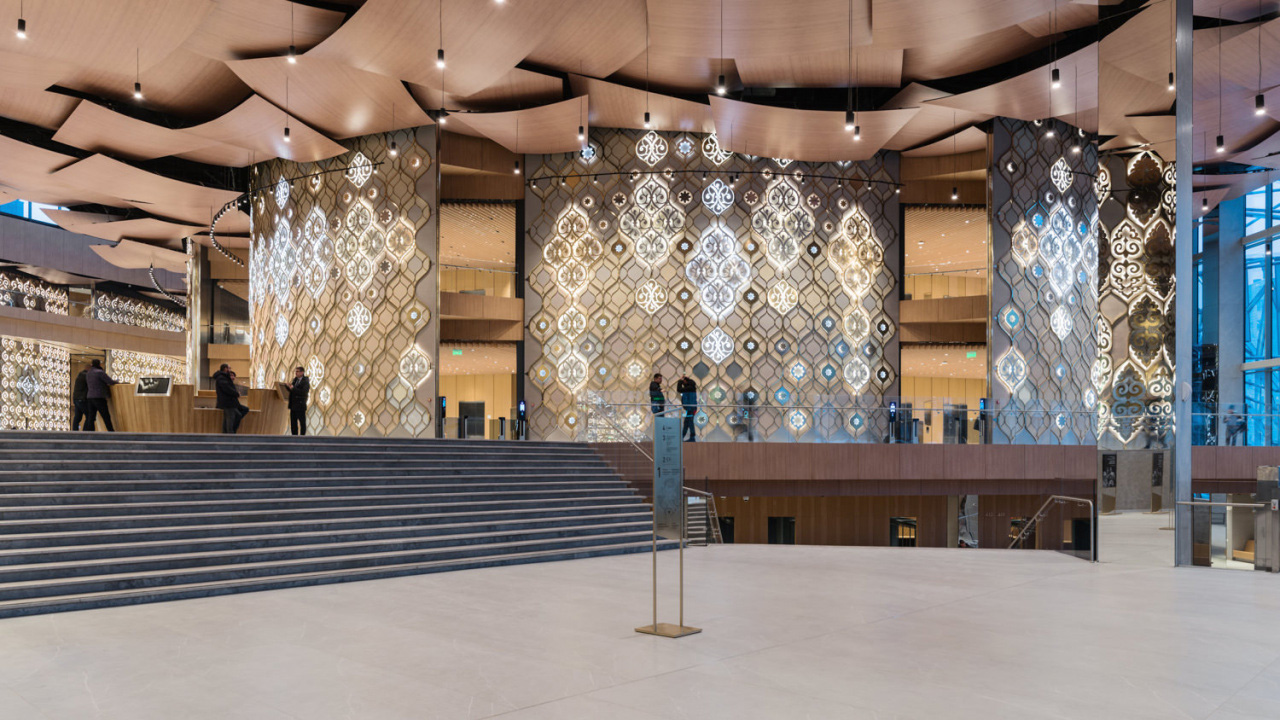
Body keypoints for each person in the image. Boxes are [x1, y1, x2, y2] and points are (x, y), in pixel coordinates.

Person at [84, 359, 118, 431]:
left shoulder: (88, 373)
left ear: (92, 364)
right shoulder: (100, 372)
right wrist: (117, 381)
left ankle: (90, 432)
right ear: (99, 364)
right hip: (99, 396)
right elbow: (110, 381)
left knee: (91, 417)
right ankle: (111, 431)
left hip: (90, 397)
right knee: (105, 415)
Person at [213, 364, 248, 434]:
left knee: (233, 417)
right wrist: (236, 393)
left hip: (229, 402)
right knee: (230, 420)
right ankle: (230, 435)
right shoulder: (222, 378)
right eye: (229, 368)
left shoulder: (223, 377)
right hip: (228, 402)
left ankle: (226, 433)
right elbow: (227, 389)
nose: (230, 369)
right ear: (225, 369)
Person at [289, 366, 310, 436]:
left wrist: (293, 388)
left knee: (302, 422)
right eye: (296, 371)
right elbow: (292, 390)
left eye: (297, 371)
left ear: (302, 372)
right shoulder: (295, 380)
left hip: (300, 405)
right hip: (293, 405)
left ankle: (302, 437)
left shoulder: (305, 381)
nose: (296, 373)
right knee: (293, 423)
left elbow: (304, 392)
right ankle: (294, 437)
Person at [676, 373, 698, 442]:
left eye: (683, 382)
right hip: (691, 408)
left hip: (690, 408)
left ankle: (692, 437)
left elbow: (679, 389)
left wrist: (680, 381)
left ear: (685, 381)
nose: (683, 384)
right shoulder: (692, 387)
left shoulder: (688, 388)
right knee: (687, 422)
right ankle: (682, 437)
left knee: (689, 422)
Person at [71, 367, 90, 431]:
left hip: (76, 399)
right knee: (89, 415)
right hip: (82, 399)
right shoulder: (86, 376)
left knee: (77, 417)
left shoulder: (79, 376)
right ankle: (85, 431)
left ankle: (75, 431)